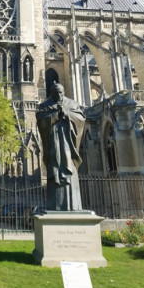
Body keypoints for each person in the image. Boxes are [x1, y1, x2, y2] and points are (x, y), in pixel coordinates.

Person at [36, 82, 85, 211]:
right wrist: (54, 116)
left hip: (68, 144)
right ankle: (55, 206)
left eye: (61, 92)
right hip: (54, 144)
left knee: (70, 169)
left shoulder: (72, 104)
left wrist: (67, 114)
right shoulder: (45, 105)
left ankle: (74, 207)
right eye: (56, 92)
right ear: (50, 93)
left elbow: (81, 119)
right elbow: (40, 120)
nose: (59, 95)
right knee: (54, 169)